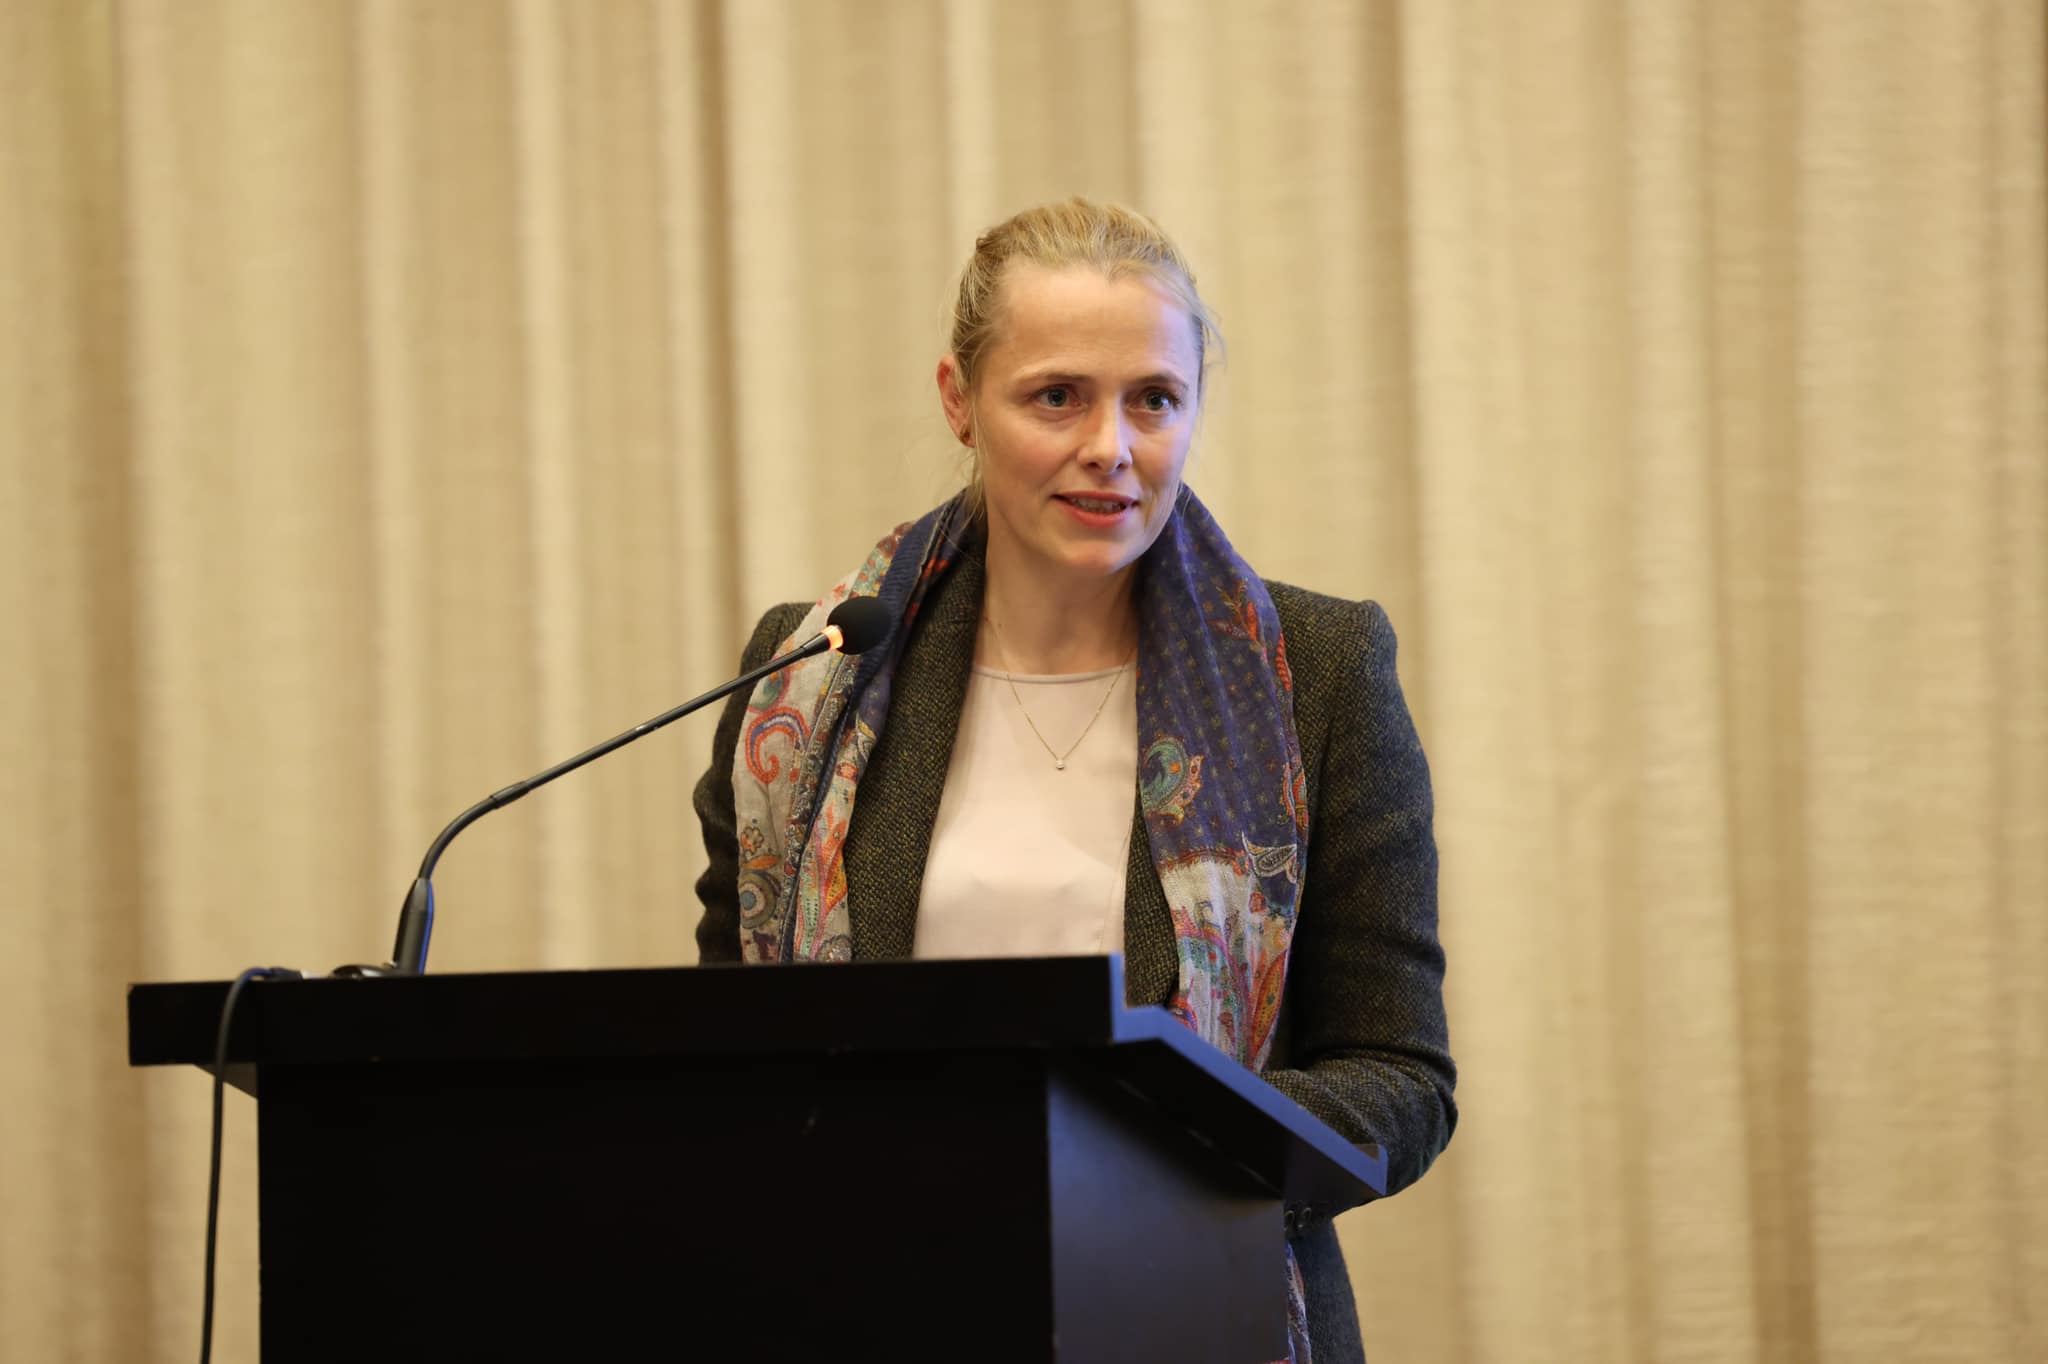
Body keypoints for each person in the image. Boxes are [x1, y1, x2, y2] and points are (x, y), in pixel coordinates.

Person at [693, 198, 1455, 1363]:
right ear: (959, 400)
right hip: (871, 1305)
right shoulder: (810, 676)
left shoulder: (1319, 672)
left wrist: (1141, 1151)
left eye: (1152, 398)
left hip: (1195, 1309)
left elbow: (1399, 1075)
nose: (1111, 445)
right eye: (1056, 396)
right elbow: (727, 1048)